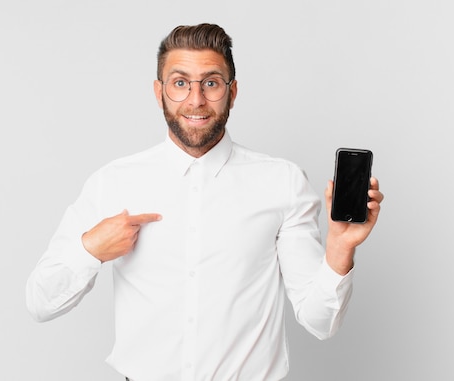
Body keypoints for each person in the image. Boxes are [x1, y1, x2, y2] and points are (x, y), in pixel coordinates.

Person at [26, 23, 384, 381]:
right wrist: (90, 249)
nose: (196, 100)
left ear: (233, 92)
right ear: (159, 91)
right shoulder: (114, 182)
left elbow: (320, 321)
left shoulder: (282, 182)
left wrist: (339, 248)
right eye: (180, 83)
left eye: (211, 83)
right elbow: (40, 302)